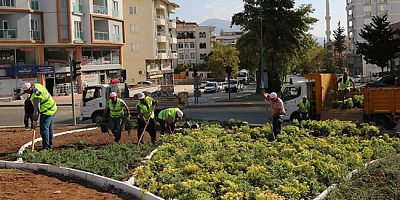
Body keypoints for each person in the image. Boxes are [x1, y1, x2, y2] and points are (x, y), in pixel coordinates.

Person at [21, 82, 57, 150]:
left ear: (30, 89)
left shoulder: (35, 97)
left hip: (47, 111)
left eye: (26, 91)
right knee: (49, 128)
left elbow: (36, 111)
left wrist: (34, 121)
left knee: (44, 129)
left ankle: (46, 148)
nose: (26, 93)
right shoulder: (37, 85)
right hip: (53, 107)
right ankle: (50, 145)